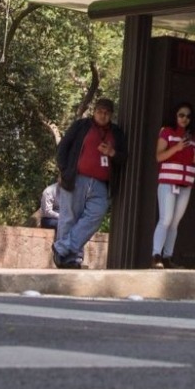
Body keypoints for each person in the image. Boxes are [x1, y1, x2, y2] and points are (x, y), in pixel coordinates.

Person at [52, 97, 127, 269]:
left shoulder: (116, 133)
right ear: (94, 112)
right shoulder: (81, 126)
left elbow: (124, 157)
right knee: (69, 217)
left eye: (107, 113)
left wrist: (112, 152)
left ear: (111, 115)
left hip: (101, 183)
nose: (103, 115)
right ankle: (70, 259)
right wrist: (64, 171)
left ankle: (61, 248)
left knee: (96, 215)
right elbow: (63, 147)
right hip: (77, 178)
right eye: (100, 111)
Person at [151, 102, 195, 269]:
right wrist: (177, 147)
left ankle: (167, 257)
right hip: (168, 181)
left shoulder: (193, 138)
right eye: (181, 115)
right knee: (166, 219)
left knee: (175, 222)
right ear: (175, 115)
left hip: (186, 184)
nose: (184, 118)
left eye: (188, 116)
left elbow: (194, 159)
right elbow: (159, 156)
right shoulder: (167, 132)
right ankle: (156, 255)